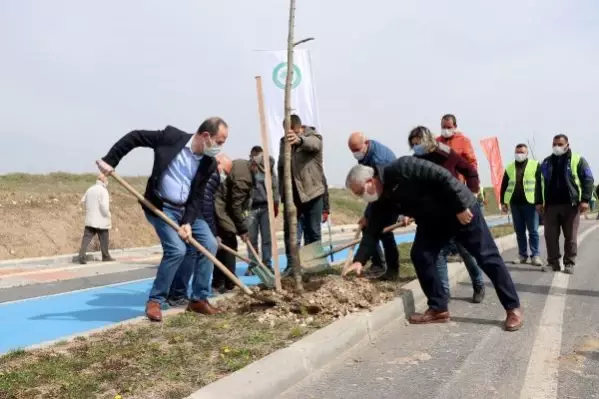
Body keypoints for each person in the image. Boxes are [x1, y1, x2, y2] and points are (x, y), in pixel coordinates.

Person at [341, 157, 523, 331]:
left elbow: (442, 176)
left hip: (461, 211)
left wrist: (459, 207)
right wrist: (359, 260)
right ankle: (438, 308)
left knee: (487, 257)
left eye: (359, 192)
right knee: (421, 255)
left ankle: (512, 308)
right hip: (433, 221)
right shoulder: (380, 200)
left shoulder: (402, 167)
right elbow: (372, 231)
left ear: (371, 180)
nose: (361, 197)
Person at [96, 118, 228, 322]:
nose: (220, 147)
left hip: (185, 211)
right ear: (205, 136)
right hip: (161, 208)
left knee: (209, 244)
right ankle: (155, 300)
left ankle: (199, 299)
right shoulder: (170, 137)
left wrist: (187, 222)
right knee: (177, 250)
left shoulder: (208, 163)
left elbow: (197, 197)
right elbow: (135, 136)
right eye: (219, 142)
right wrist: (111, 159)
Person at [408, 126, 485, 303]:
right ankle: (444, 293)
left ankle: (479, 284)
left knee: (466, 251)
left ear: (429, 141)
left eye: (419, 143)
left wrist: (472, 194)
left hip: (457, 210)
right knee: (440, 253)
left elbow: (470, 170)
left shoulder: (445, 154)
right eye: (414, 145)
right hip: (436, 215)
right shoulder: (415, 161)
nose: (417, 147)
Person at [166, 156, 222, 307]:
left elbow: (202, 200)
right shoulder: (194, 166)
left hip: (194, 213)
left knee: (210, 244)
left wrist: (210, 231)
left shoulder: (209, 169)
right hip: (175, 210)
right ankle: (176, 294)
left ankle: (199, 297)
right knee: (186, 252)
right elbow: (207, 204)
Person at [347, 131, 400, 280]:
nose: (355, 154)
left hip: (391, 195)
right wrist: (366, 215)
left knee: (384, 232)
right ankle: (377, 264)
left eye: (357, 149)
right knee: (369, 226)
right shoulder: (364, 156)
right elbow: (369, 190)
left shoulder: (379, 160)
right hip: (379, 194)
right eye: (352, 151)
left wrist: (369, 214)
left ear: (366, 143)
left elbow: (377, 191)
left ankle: (392, 270)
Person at [539, 134, 594, 274]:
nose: (556, 147)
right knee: (550, 236)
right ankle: (553, 263)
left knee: (570, 236)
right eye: (554, 144)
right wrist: (538, 202)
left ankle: (569, 262)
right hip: (550, 206)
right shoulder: (546, 162)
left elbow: (588, 178)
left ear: (567, 145)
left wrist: (585, 200)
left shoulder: (577, 160)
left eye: (560, 144)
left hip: (571, 205)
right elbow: (539, 184)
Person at [277, 114, 325, 273]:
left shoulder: (313, 136)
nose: (289, 135)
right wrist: (281, 194)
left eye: (292, 132)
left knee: (313, 232)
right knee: (290, 234)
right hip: (293, 198)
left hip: (312, 193)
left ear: (299, 128)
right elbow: (281, 167)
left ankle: (315, 267)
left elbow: (315, 145)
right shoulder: (283, 142)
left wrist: (300, 140)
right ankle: (292, 266)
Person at [213, 155, 254, 292]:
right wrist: (242, 230)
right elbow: (235, 206)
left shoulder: (243, 164)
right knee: (229, 242)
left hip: (223, 206)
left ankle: (219, 282)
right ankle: (229, 282)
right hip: (221, 208)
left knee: (223, 247)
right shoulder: (244, 178)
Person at [500, 144, 543, 266]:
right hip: (515, 204)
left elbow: (540, 185)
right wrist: (503, 202)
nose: (519, 154)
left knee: (533, 231)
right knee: (519, 231)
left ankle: (535, 255)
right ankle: (522, 255)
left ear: (527, 153)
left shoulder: (535, 165)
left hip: (531, 204)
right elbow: (504, 185)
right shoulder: (509, 167)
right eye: (517, 152)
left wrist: (540, 202)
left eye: (522, 152)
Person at [247, 146, 279, 272]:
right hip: (251, 209)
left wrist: (276, 202)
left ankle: (267, 264)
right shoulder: (249, 167)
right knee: (251, 238)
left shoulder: (268, 166)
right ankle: (253, 265)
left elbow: (275, 185)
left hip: (266, 207)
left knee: (267, 238)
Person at [78, 174, 114, 264]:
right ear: (103, 180)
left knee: (86, 238)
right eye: (106, 179)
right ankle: (105, 256)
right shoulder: (103, 191)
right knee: (104, 238)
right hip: (101, 219)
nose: (107, 181)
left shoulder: (90, 189)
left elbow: (82, 200)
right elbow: (104, 206)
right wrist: (108, 214)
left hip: (90, 218)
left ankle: (81, 255)